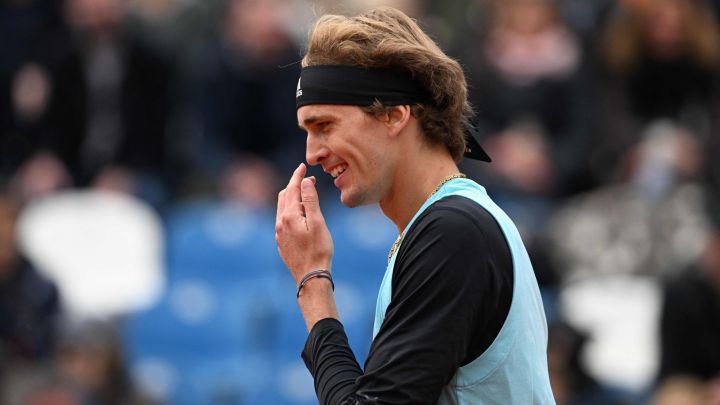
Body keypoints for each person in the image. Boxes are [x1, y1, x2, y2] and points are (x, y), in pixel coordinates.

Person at [275, 7, 554, 404]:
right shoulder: (447, 224)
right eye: (307, 131)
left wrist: (314, 284)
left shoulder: (452, 233)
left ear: (394, 115)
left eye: (325, 126)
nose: (312, 153)